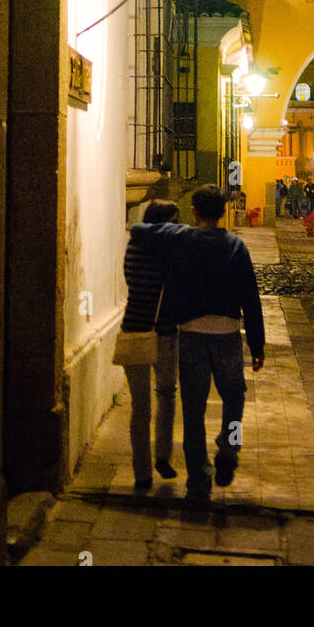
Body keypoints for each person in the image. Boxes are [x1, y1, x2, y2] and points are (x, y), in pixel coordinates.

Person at [130, 185, 265, 502]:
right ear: (222, 212)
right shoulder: (236, 246)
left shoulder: (181, 239)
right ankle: (229, 447)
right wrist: (257, 346)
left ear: (194, 211)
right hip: (228, 333)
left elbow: (140, 230)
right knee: (235, 396)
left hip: (190, 333)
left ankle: (198, 480)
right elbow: (252, 299)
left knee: (193, 409)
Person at [120, 199, 180, 491]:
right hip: (164, 330)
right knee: (166, 394)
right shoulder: (171, 252)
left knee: (139, 405)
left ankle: (141, 472)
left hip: (133, 327)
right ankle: (163, 457)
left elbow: (131, 281)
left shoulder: (133, 244)